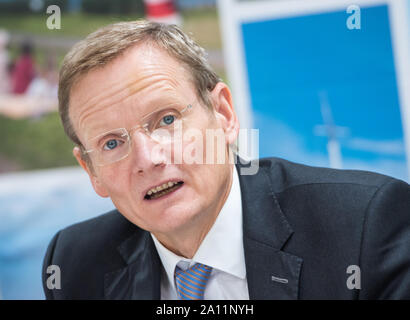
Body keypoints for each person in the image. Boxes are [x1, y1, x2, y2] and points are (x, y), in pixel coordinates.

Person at [42, 20, 410, 300]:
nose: (149, 158)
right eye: (110, 144)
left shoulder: (365, 225)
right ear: (91, 171)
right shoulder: (74, 265)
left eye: (167, 120)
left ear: (223, 114)